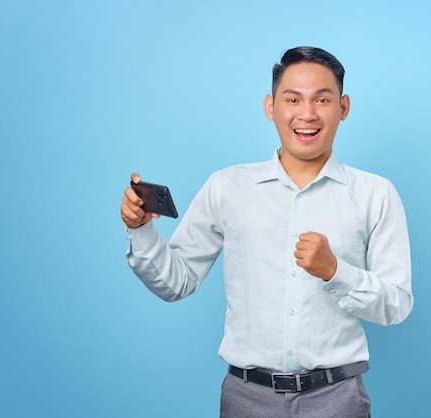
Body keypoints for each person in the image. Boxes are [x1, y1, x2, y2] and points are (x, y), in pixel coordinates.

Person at [120, 46, 413, 417]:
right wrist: (141, 229)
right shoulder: (227, 187)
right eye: (292, 99)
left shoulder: (376, 194)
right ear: (270, 107)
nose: (307, 114)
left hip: (337, 398)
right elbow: (176, 282)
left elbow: (397, 304)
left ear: (343, 107)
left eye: (322, 99)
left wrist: (336, 272)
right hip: (247, 399)